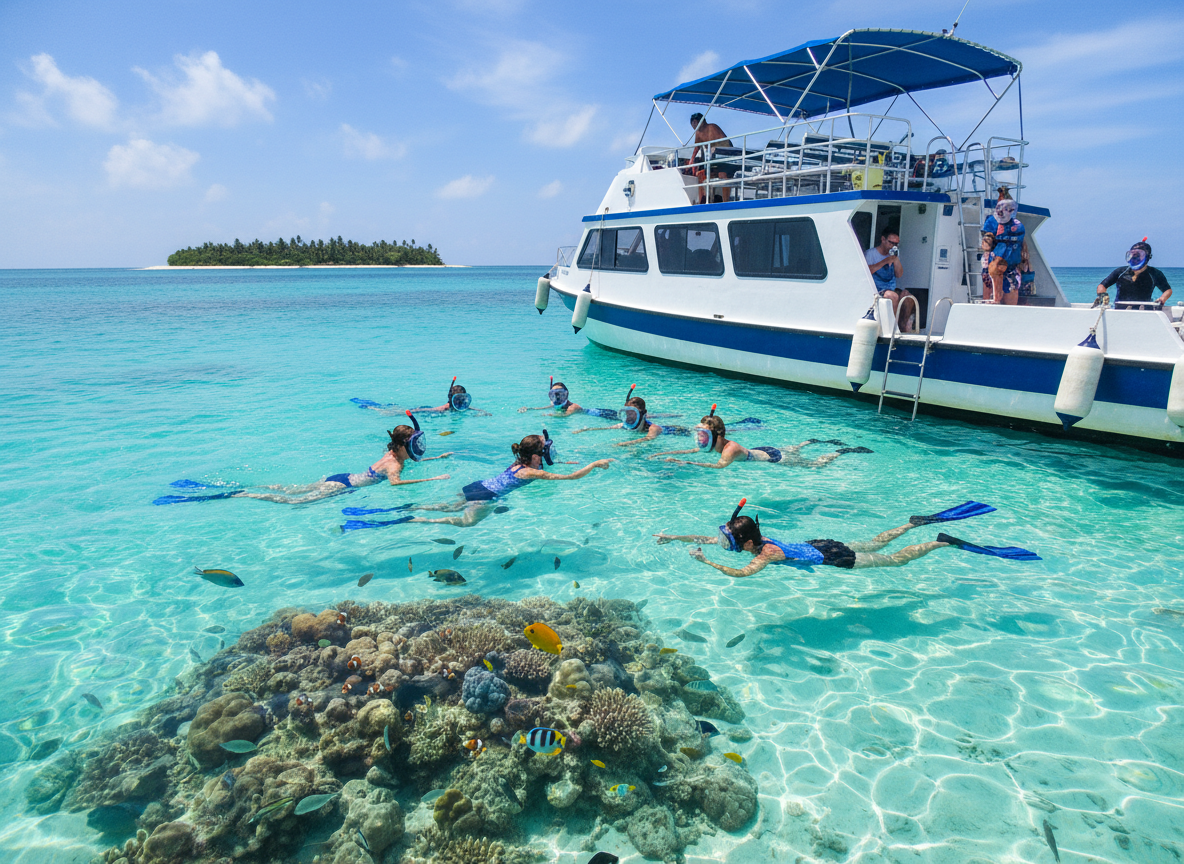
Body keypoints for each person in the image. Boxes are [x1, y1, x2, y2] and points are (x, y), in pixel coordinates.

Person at [654, 499, 1039, 578]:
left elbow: (741, 576)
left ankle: (940, 540)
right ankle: (910, 523)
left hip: (832, 559)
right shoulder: (760, 535)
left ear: (749, 545)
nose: (728, 547)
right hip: (822, 543)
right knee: (874, 541)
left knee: (896, 560)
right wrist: (672, 536)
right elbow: (708, 535)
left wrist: (707, 563)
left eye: (731, 544)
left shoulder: (766, 555)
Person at [154, 412, 452, 505]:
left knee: (290, 489)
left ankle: (242, 491)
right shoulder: (395, 464)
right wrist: (433, 478)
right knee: (295, 502)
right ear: (402, 445)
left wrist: (439, 457)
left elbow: (409, 463)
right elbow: (396, 485)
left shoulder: (391, 454)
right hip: (341, 487)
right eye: (413, 444)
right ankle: (242, 493)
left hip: (340, 476)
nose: (417, 450)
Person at [340, 431, 612, 530]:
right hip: (487, 497)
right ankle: (407, 520)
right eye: (545, 452)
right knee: (461, 523)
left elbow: (546, 465)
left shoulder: (518, 464)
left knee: (441, 505)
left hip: (477, 486)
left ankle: (398, 511)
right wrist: (593, 464)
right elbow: (570, 478)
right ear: (536, 456)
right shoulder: (532, 472)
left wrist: (560, 460)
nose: (547, 456)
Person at [650, 408, 870, 468]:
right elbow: (692, 450)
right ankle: (808, 442)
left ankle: (842, 451)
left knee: (816, 465)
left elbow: (719, 467)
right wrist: (664, 453)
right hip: (761, 449)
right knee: (794, 448)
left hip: (774, 458)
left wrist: (684, 462)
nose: (699, 436)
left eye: (703, 433)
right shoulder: (713, 444)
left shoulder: (730, 449)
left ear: (716, 434)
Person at [570, 386, 690, 446]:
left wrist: (625, 443)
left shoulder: (653, 428)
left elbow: (647, 439)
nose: (629, 416)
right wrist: (585, 430)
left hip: (680, 431)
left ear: (643, 413)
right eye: (627, 412)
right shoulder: (626, 424)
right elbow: (609, 427)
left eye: (633, 412)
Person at [351, 376, 490, 416]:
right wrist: (401, 414)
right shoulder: (443, 409)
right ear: (452, 400)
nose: (462, 403)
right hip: (424, 409)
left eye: (463, 400)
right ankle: (371, 407)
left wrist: (483, 413)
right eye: (459, 400)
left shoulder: (462, 407)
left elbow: (472, 409)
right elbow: (423, 411)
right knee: (389, 410)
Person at [1095, 239, 1172, 310]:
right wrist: (1102, 295)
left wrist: (1162, 299)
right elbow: (1102, 286)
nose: (1134, 259)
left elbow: (1167, 290)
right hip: (1120, 311)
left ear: (1148, 257)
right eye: (1132, 255)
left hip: (1145, 312)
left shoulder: (1154, 274)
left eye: (1138, 256)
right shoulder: (1120, 272)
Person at [981, 190, 1025, 307]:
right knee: (990, 285)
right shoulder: (991, 221)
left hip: (1009, 266)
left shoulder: (1017, 224)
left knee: (1010, 296)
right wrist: (989, 238)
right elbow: (986, 241)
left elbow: (1018, 241)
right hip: (992, 262)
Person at [865, 228, 913, 329]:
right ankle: (892, 328)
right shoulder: (871, 254)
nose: (894, 246)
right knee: (893, 297)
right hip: (877, 289)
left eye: (896, 244)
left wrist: (895, 260)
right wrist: (885, 261)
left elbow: (899, 274)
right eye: (891, 243)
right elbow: (867, 272)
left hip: (891, 288)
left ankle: (902, 326)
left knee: (907, 297)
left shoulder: (894, 255)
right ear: (883, 239)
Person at [688, 113, 734, 205]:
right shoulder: (698, 133)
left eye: (695, 122)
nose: (694, 125)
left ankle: (726, 202)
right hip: (712, 158)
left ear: (702, 122)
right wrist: (691, 161)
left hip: (724, 155)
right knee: (701, 175)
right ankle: (705, 200)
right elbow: (697, 147)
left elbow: (725, 143)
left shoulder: (712, 127)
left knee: (723, 175)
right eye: (692, 123)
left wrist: (716, 149)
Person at [519, 378, 619, 419]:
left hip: (600, 414)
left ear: (566, 394)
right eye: (554, 394)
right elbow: (545, 407)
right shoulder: (557, 406)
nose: (557, 396)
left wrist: (548, 415)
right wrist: (529, 409)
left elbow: (564, 416)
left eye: (560, 393)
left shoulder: (573, 407)